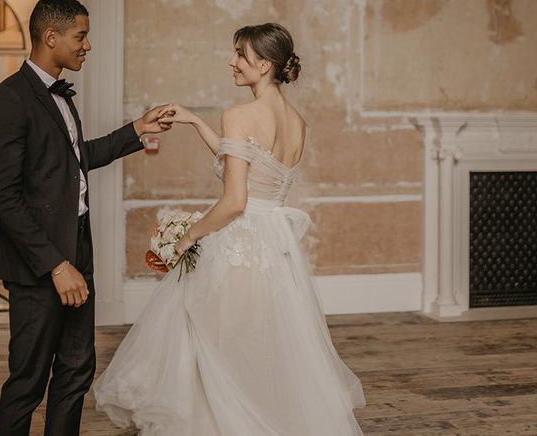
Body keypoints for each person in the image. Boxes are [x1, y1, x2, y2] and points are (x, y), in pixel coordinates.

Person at [94, 23, 365, 435]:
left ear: (265, 63)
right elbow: (248, 167)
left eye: (240, 54)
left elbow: (235, 200)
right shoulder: (297, 122)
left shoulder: (240, 115)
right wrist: (193, 121)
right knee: (260, 348)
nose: (232, 61)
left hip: (240, 244)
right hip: (275, 246)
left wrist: (188, 237)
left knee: (213, 347)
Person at [0, 0, 172, 436]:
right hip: (40, 265)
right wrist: (56, 264)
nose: (87, 45)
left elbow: (72, 160)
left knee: (75, 371)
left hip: (78, 248)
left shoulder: (62, 96)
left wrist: (136, 130)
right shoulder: (10, 99)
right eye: (80, 36)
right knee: (28, 380)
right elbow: (4, 197)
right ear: (51, 37)